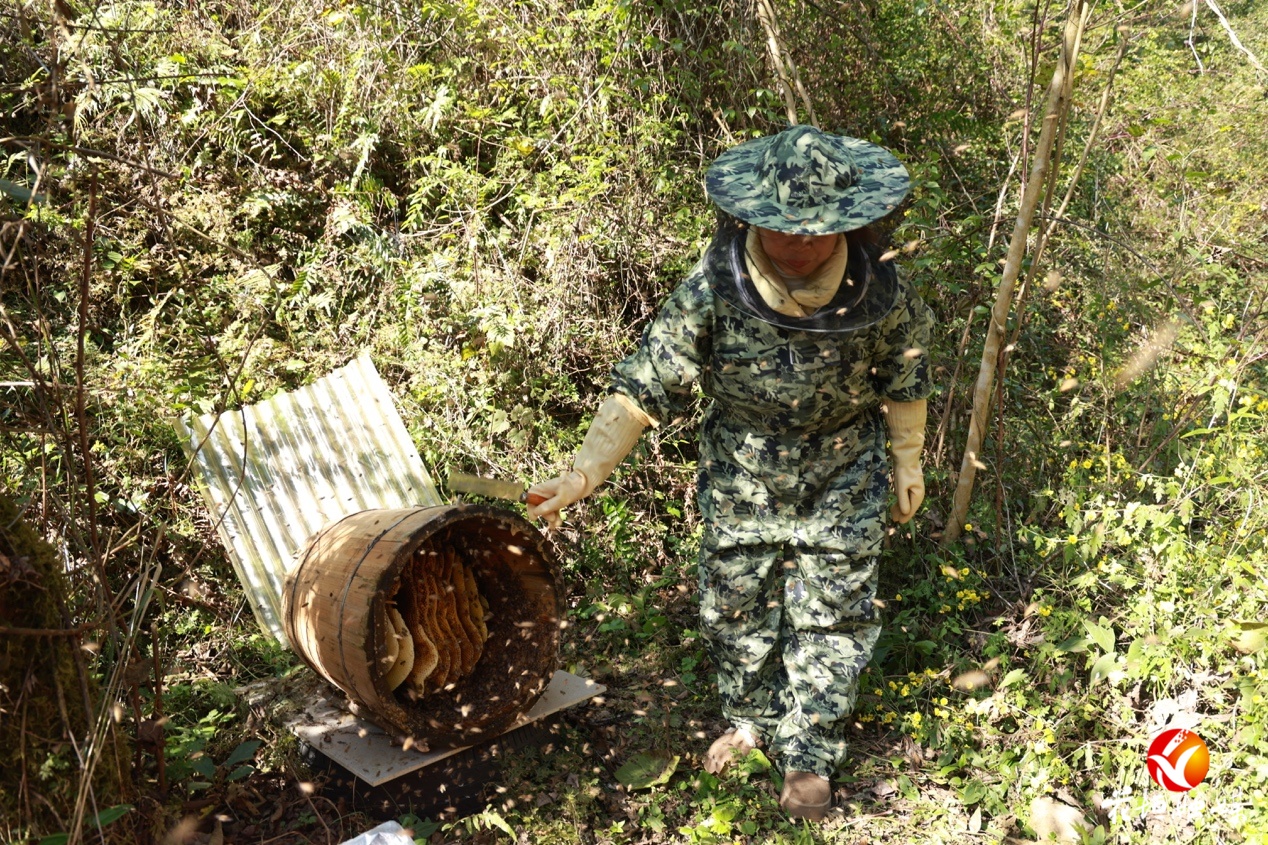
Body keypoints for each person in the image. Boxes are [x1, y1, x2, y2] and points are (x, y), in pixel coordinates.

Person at [526, 124, 934, 821]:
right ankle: (751, 721)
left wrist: (908, 458)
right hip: (741, 470)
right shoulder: (715, 282)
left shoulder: (881, 286)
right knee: (733, 604)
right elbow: (645, 384)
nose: (800, 245)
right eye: (785, 230)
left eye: (818, 232)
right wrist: (582, 473)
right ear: (753, 215)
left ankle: (809, 752)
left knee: (832, 615)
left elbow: (905, 372)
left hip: (843, 473)